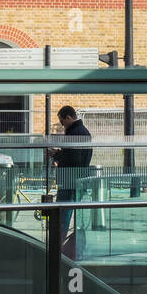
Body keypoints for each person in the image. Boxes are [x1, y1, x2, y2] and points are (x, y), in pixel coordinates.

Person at [51, 105, 92, 258]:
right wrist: (60, 153)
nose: (62, 125)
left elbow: (73, 159)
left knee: (62, 217)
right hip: (78, 182)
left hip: (69, 182)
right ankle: (74, 248)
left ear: (68, 118)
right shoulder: (84, 132)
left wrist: (57, 156)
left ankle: (58, 248)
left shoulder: (74, 133)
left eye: (62, 122)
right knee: (76, 217)